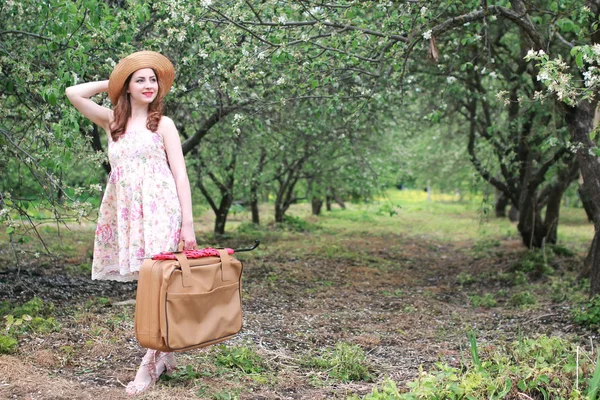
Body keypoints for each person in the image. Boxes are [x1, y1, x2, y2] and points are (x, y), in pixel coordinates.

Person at [65, 51, 197, 395]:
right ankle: (165, 354)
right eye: (140, 79)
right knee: (149, 285)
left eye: (153, 79)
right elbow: (73, 93)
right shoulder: (113, 122)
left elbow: (181, 176)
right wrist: (114, 82)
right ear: (127, 87)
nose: (149, 85)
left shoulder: (163, 125)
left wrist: (188, 226)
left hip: (160, 210)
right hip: (128, 214)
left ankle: (148, 365)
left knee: (156, 287)